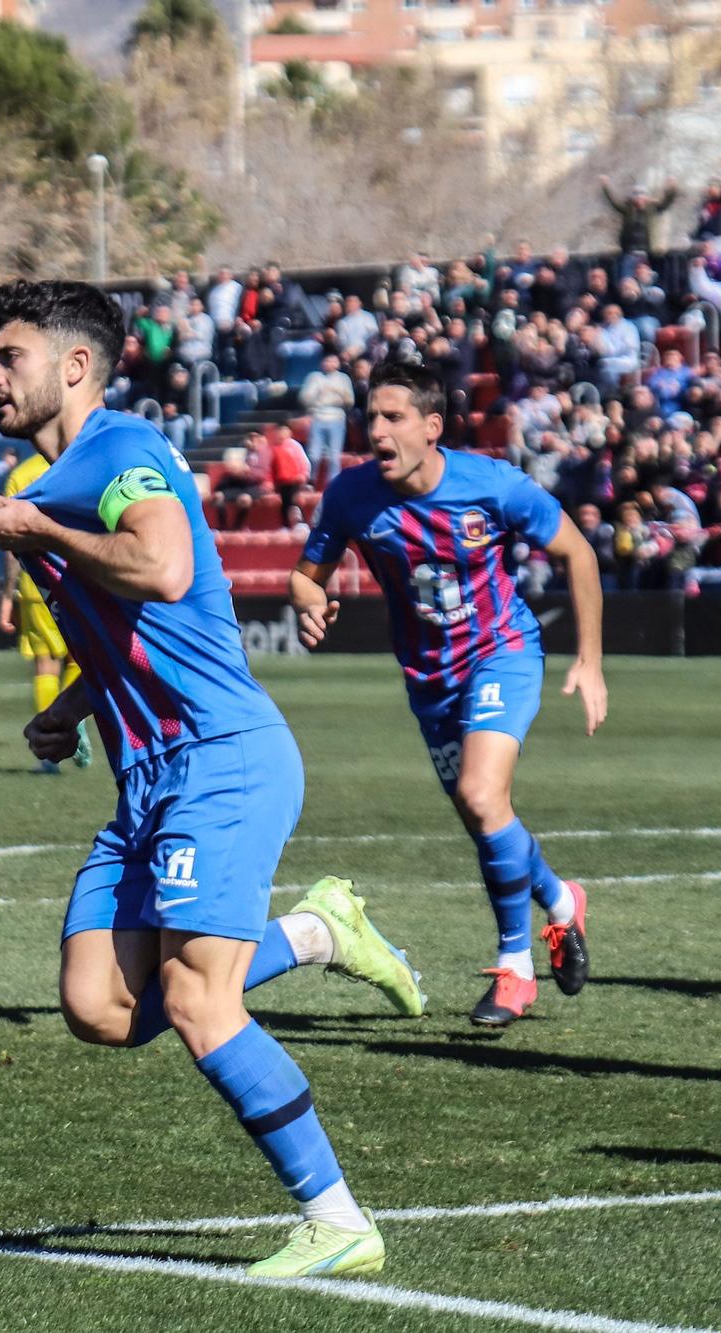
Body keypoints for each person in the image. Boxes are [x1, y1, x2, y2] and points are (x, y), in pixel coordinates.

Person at [0, 278, 424, 1279]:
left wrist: (40, 533)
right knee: (96, 1005)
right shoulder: (49, 474)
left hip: (219, 759)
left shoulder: (119, 451)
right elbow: (134, 629)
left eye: (8, 355)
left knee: (196, 1002)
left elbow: (165, 569)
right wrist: (71, 706)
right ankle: (316, 930)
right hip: (146, 782)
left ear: (73, 365)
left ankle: (336, 1217)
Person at [290, 361, 608, 1027]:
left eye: (393, 416)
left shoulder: (490, 485)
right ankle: (559, 899)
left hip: (503, 653)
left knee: (480, 795)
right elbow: (306, 575)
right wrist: (309, 601)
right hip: (428, 679)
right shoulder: (351, 495)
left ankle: (515, 967)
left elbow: (578, 552)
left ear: (432, 427)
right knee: (482, 815)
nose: (375, 429)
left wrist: (590, 660)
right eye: (370, 417)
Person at [0, 446, 94, 775]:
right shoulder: (80, 464)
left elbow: (9, 543)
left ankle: (50, 752)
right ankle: (73, 717)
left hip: (38, 585)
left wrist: (8, 595)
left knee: (45, 664)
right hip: (82, 579)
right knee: (83, 659)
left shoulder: (21, 475)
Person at [298, 352, 355, 488]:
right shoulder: (314, 377)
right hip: (318, 417)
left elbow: (349, 400)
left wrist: (334, 394)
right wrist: (321, 393)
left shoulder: (343, 378)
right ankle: (310, 481)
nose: (329, 364)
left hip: (337, 418)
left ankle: (333, 483)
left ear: (338, 364)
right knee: (314, 454)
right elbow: (305, 398)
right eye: (327, 361)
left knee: (334, 455)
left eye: (333, 361)